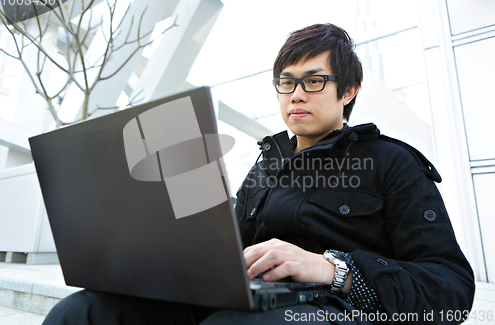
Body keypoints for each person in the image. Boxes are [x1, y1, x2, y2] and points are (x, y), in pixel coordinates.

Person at [43, 23, 475, 324]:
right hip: (250, 301)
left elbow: (451, 292)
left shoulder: (391, 163)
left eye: (314, 81)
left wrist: (334, 270)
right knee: (84, 312)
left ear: (349, 91)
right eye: (286, 82)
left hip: (331, 311)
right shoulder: (266, 162)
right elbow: (222, 247)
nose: (296, 95)